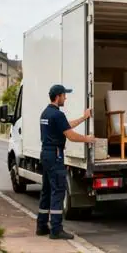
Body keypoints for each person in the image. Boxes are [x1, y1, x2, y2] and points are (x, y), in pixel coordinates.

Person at [36, 84, 95, 240]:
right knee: (58, 191)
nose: (65, 98)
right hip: (55, 155)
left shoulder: (46, 113)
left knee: (47, 190)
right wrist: (87, 139)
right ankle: (56, 229)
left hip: (46, 154)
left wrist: (84, 117)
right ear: (58, 96)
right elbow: (70, 135)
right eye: (64, 95)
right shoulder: (57, 115)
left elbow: (66, 126)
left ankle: (41, 226)